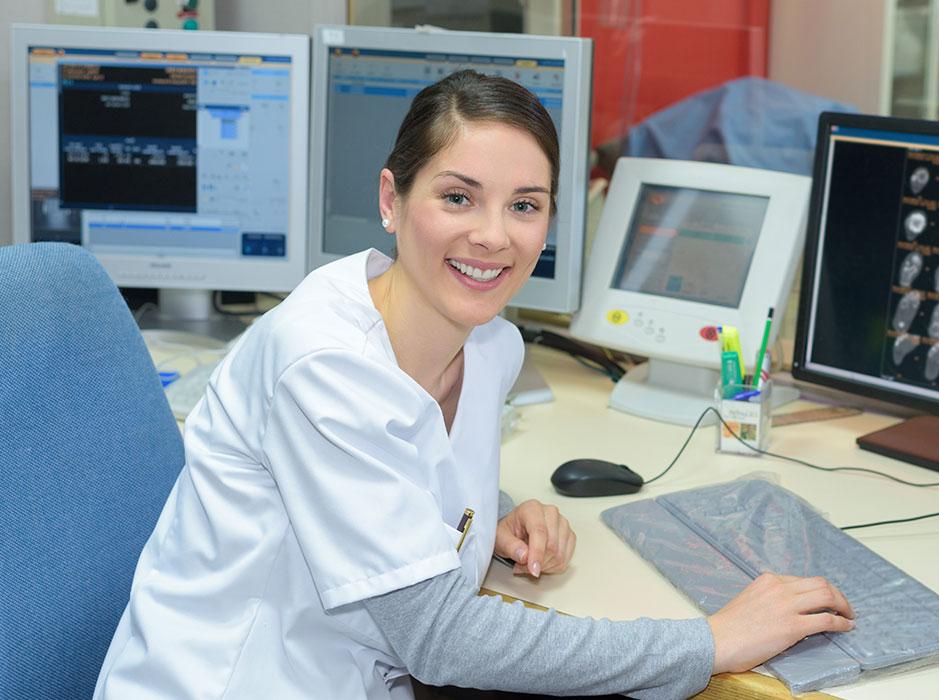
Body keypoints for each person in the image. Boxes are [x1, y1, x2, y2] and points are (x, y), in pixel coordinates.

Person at [91, 70, 854, 700]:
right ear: (392, 200)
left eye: (524, 206)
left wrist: (487, 514)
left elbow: (404, 467)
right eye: (457, 197)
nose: (493, 235)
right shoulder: (323, 364)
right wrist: (711, 641)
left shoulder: (490, 346)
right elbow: (441, 638)